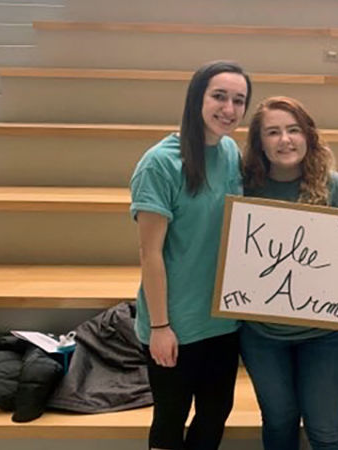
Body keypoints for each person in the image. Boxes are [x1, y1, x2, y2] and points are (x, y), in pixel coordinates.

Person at [238, 96, 338, 450]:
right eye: (273, 132)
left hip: (327, 334)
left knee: (327, 431)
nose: (285, 140)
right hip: (262, 333)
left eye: (293, 130)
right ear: (259, 142)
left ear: (309, 136)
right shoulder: (244, 188)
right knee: (278, 423)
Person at [129, 60, 252, 450]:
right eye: (219, 96)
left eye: (238, 100)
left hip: (222, 321)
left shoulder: (231, 152)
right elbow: (150, 254)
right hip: (175, 324)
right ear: (196, 98)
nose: (228, 109)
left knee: (215, 415)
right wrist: (161, 327)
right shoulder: (159, 163)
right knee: (170, 418)